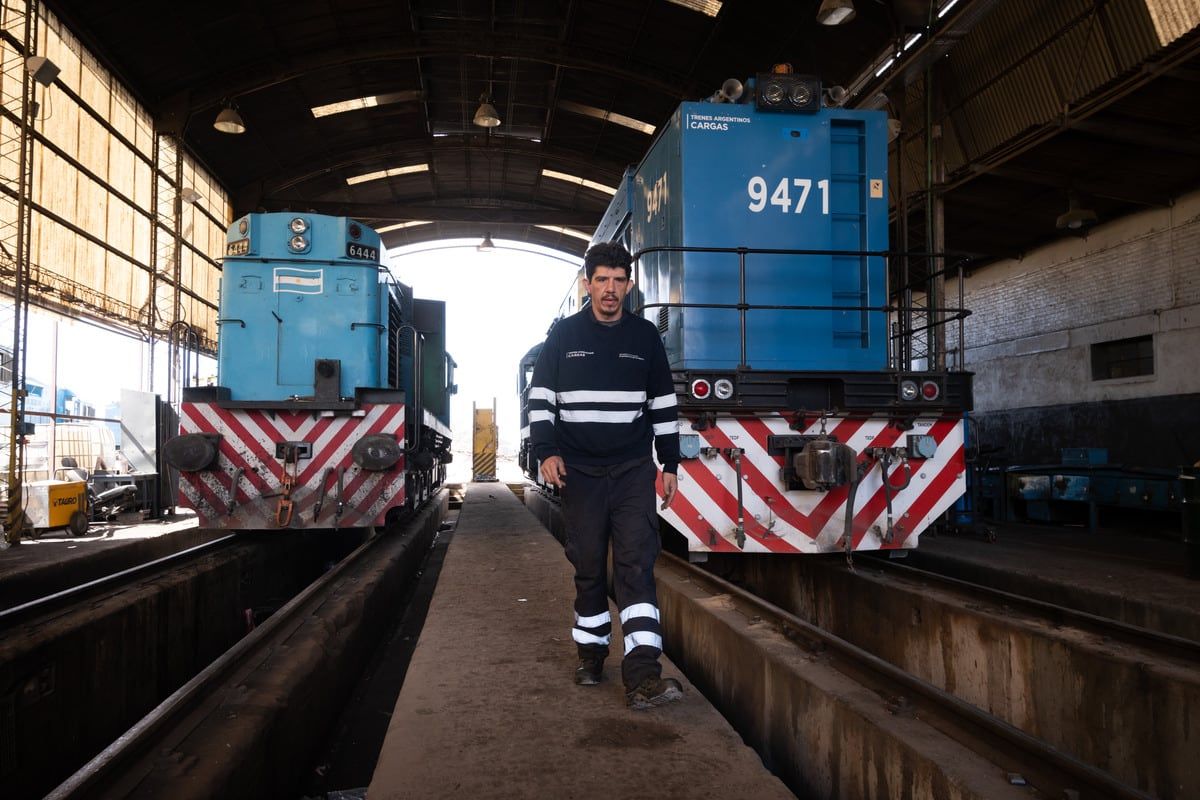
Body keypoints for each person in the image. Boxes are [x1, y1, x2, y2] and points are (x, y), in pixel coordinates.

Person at [527, 240, 683, 710]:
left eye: (618, 281)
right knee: (589, 567)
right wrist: (546, 452)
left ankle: (643, 677)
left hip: (634, 469)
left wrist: (669, 463)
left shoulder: (644, 338)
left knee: (637, 567)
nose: (610, 289)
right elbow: (541, 400)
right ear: (587, 284)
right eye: (602, 280)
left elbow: (664, 404)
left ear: (629, 286)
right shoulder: (564, 337)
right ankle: (590, 656)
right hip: (581, 473)